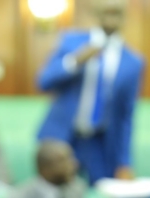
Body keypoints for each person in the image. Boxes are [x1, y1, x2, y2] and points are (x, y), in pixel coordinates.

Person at [36, 0, 144, 186]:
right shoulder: (71, 42)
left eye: (117, 12)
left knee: (101, 193)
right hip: (63, 138)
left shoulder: (133, 62)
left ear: (125, 17)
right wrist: (75, 61)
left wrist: (124, 162)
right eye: (106, 11)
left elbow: (126, 116)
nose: (111, 17)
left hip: (100, 144)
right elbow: (44, 82)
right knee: (53, 195)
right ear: (96, 14)